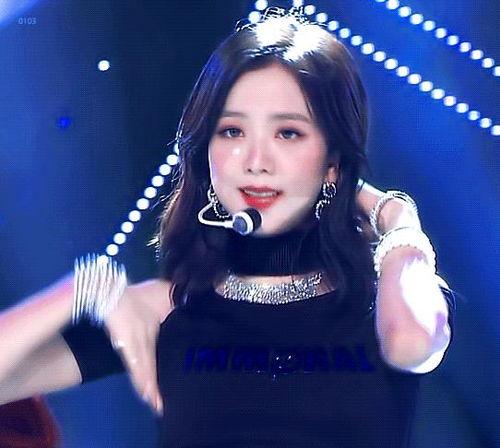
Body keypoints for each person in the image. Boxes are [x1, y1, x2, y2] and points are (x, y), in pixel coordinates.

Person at [0, 6, 456, 447]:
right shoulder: (168, 308)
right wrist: (85, 287)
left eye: (288, 133)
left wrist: (398, 219)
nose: (256, 161)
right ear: (206, 150)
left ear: (332, 159)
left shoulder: (387, 296)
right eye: (232, 131)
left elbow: (411, 343)